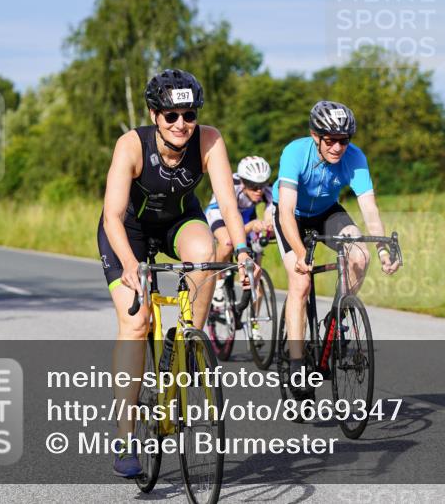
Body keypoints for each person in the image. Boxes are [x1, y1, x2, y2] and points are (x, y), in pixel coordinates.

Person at [97, 68, 258, 477]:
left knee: (208, 252)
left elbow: (227, 200)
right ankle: (126, 434)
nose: (182, 124)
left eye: (189, 114)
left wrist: (241, 251)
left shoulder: (209, 139)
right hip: (128, 231)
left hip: (177, 222)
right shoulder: (131, 146)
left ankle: (190, 342)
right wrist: (132, 266)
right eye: (171, 116)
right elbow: (112, 215)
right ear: (155, 115)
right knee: (136, 321)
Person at [271, 100, 401, 396]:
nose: (338, 148)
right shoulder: (295, 152)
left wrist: (382, 249)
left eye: (344, 140)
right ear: (315, 136)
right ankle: (295, 363)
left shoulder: (354, 157)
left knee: (359, 255)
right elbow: (286, 212)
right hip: (291, 216)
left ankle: (337, 314)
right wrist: (300, 253)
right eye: (330, 140)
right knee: (301, 281)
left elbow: (369, 208)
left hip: (327, 212)